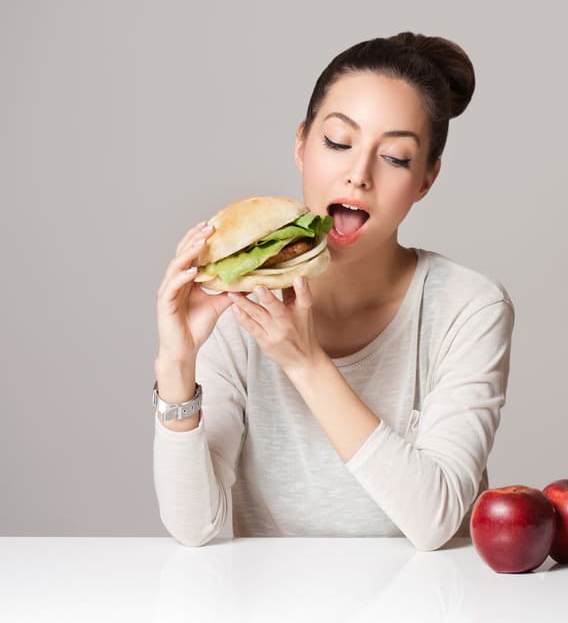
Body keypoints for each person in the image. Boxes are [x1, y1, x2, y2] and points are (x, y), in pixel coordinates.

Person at [152, 32, 515, 550]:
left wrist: (305, 363)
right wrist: (176, 367)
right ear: (302, 144)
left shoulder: (469, 307)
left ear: (427, 179)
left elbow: (435, 520)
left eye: (394, 157)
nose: (357, 174)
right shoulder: (237, 304)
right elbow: (195, 527)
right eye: (339, 143)